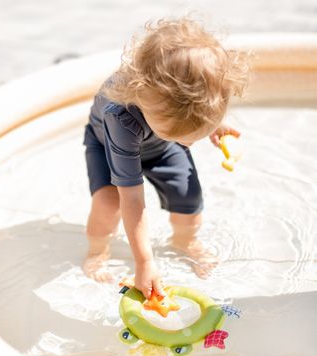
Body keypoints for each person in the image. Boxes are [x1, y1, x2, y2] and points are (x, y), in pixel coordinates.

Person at [82, 16, 249, 299]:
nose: (192, 143)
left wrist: (211, 124)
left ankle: (186, 241)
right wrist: (144, 262)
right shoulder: (120, 117)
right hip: (108, 146)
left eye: (198, 132)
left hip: (159, 143)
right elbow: (132, 199)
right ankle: (97, 252)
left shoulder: (175, 105)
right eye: (187, 135)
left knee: (188, 196)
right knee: (108, 203)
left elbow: (197, 107)